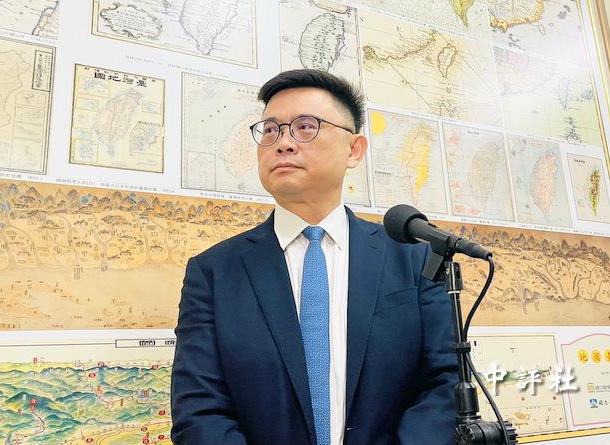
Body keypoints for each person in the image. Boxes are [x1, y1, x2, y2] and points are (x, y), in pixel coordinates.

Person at [171, 68, 457, 445]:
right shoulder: (214, 272)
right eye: (270, 130)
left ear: (353, 150)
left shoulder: (414, 260)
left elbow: (446, 383)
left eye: (305, 127)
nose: (283, 143)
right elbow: (198, 410)